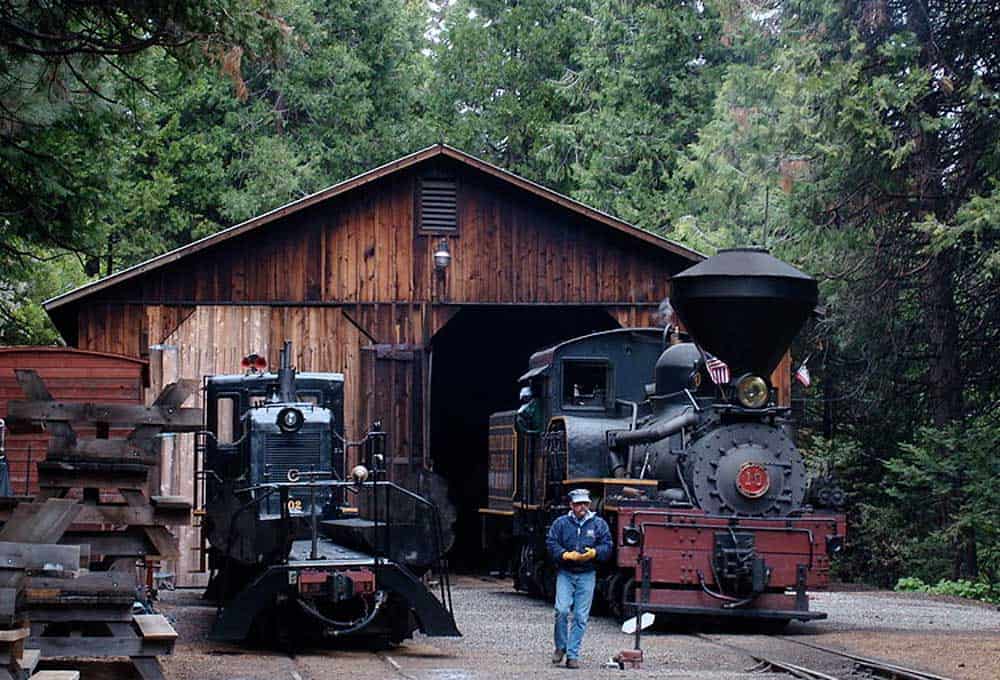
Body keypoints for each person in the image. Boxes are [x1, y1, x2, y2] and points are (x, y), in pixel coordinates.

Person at [545, 488, 612, 669]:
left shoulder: (598, 524)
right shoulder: (561, 523)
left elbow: (608, 545)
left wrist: (595, 552)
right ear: (571, 505)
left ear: (589, 505)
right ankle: (560, 646)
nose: (581, 507)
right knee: (561, 610)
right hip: (566, 573)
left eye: (584, 504)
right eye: (577, 504)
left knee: (581, 616)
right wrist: (564, 555)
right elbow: (551, 542)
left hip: (587, 574)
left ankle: (572, 655)